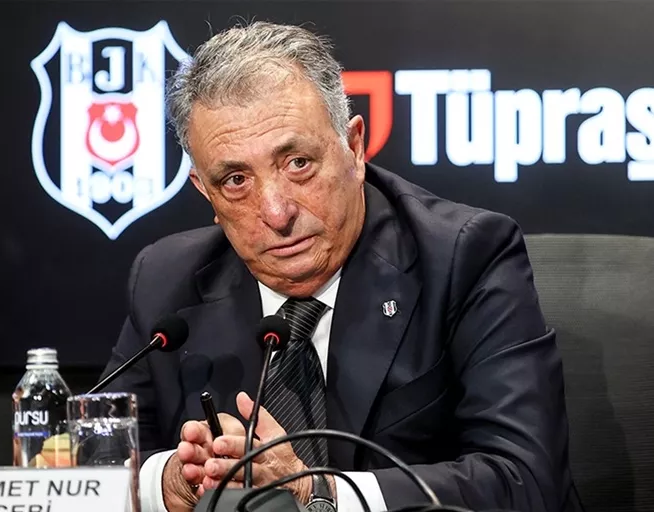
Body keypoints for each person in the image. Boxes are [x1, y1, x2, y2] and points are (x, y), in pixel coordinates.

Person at [99, 21, 583, 512]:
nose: (276, 213)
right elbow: (98, 466)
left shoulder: (465, 256)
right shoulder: (165, 280)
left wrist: (317, 492)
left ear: (354, 149)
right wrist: (168, 482)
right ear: (205, 191)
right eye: (237, 180)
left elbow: (526, 480)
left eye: (298, 163)